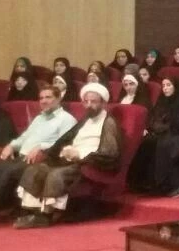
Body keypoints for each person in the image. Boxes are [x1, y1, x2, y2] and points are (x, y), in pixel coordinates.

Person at [14, 84, 122, 229]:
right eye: (86, 101)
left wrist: (79, 155)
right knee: (36, 169)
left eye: (93, 101)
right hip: (69, 159)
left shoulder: (109, 122)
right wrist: (56, 152)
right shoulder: (85, 120)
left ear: (103, 103)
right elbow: (65, 140)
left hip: (88, 162)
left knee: (56, 174)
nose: (89, 105)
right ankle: (31, 211)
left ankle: (46, 215)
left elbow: (109, 152)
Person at [0, 85, 76, 209]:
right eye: (41, 98)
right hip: (21, 157)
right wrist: (11, 145)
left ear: (58, 99)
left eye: (48, 97)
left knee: (10, 172)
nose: (43, 101)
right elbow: (24, 137)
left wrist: (41, 147)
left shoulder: (67, 119)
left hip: (40, 160)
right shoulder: (39, 118)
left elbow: (64, 144)